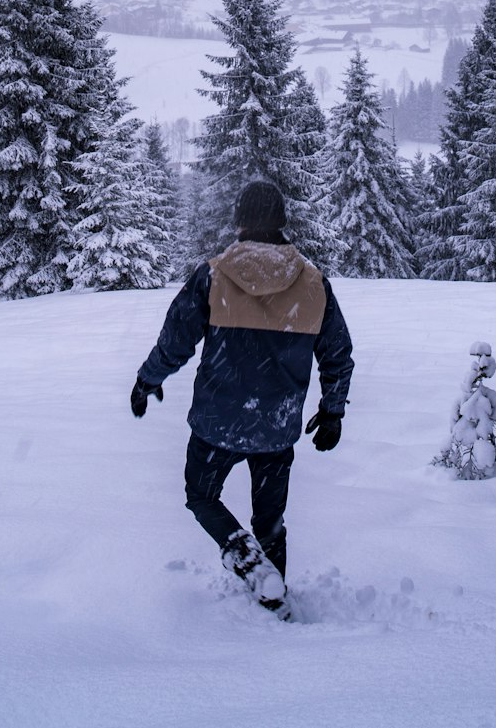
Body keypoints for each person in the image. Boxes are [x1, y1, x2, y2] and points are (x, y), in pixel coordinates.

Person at [131, 179, 354, 615]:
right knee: (269, 522)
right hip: (276, 426)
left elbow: (176, 339)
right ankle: (275, 598)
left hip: (217, 422)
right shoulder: (313, 284)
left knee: (201, 496)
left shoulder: (213, 276)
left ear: (239, 220)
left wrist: (148, 379)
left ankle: (250, 564)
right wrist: (332, 412)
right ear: (282, 221)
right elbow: (338, 355)